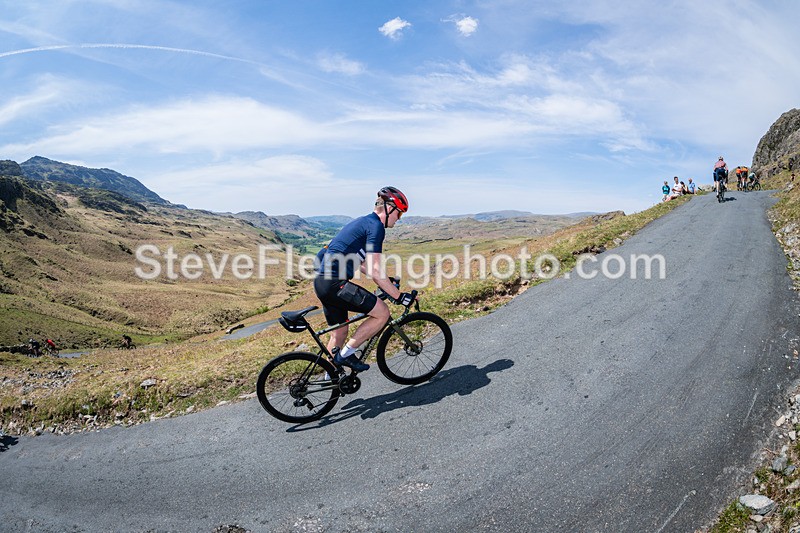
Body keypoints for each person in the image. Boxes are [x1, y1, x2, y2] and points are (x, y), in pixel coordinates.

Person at [313, 186, 412, 371]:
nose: (398, 220)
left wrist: (387, 283)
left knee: (339, 334)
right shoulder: (375, 227)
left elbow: (362, 263)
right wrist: (399, 296)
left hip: (322, 283)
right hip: (335, 284)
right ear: (389, 208)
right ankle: (345, 357)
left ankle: (332, 378)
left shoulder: (363, 222)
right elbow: (375, 271)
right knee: (382, 313)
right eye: (399, 214)